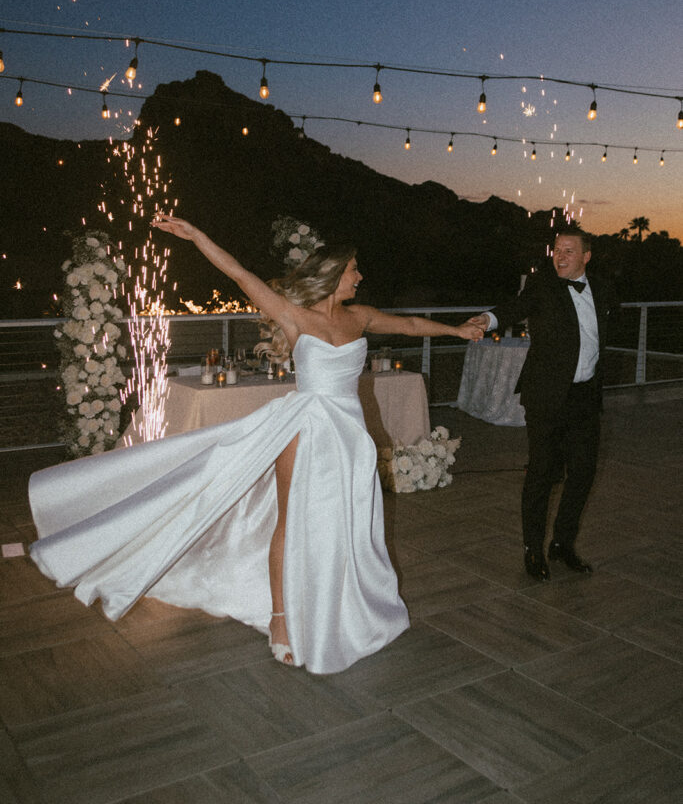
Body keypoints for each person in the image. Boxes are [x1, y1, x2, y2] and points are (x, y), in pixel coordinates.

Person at [29, 217, 483, 674]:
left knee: (349, 519)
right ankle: (281, 619)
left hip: (350, 433)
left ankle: (343, 604)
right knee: (289, 521)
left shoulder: (359, 316)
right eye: (353, 270)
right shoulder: (293, 315)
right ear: (332, 274)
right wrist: (197, 236)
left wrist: (457, 332)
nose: (359, 277)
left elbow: (408, 326)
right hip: (305, 426)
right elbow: (240, 274)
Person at [469, 230, 617, 582]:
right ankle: (533, 550)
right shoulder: (543, 286)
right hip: (548, 396)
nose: (560, 257)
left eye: (569, 251)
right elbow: (513, 309)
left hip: (584, 396)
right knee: (542, 474)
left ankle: (562, 544)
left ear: (587, 256)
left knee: (582, 473)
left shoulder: (605, 289)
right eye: (557, 251)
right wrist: (485, 320)